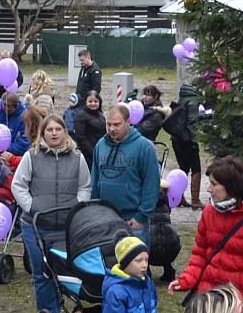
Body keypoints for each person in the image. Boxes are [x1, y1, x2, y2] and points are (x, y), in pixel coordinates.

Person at [167, 156, 243, 313]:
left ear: (231, 187)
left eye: (214, 184)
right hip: (208, 300)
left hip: (236, 308)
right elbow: (200, 252)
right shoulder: (209, 212)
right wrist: (186, 279)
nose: (208, 189)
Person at [12, 115, 91, 313]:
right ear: (43, 133)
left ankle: (64, 312)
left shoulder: (77, 157)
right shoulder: (32, 156)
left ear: (65, 132)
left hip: (66, 227)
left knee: (64, 272)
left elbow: (85, 186)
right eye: (50, 130)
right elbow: (18, 185)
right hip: (36, 226)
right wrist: (31, 206)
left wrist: (77, 206)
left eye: (58, 129)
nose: (54, 133)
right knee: (42, 273)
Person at [91, 104, 160, 245]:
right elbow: (95, 180)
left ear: (128, 122)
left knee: (135, 265)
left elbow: (152, 184)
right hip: (106, 220)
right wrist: (96, 212)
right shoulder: (100, 145)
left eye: (117, 124)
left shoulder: (144, 147)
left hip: (132, 221)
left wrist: (141, 217)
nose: (112, 129)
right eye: (108, 124)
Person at [164, 83, 204, 209]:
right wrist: (194, 138)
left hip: (176, 139)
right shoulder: (193, 101)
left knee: (183, 168)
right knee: (196, 169)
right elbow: (192, 121)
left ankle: (179, 197)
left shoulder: (182, 99)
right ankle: (195, 200)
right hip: (187, 140)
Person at [73, 90, 105, 168]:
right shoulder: (81, 115)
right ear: (85, 102)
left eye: (95, 101)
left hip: (100, 151)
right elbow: (80, 137)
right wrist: (92, 152)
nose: (93, 103)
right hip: (87, 154)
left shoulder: (101, 115)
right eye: (90, 101)